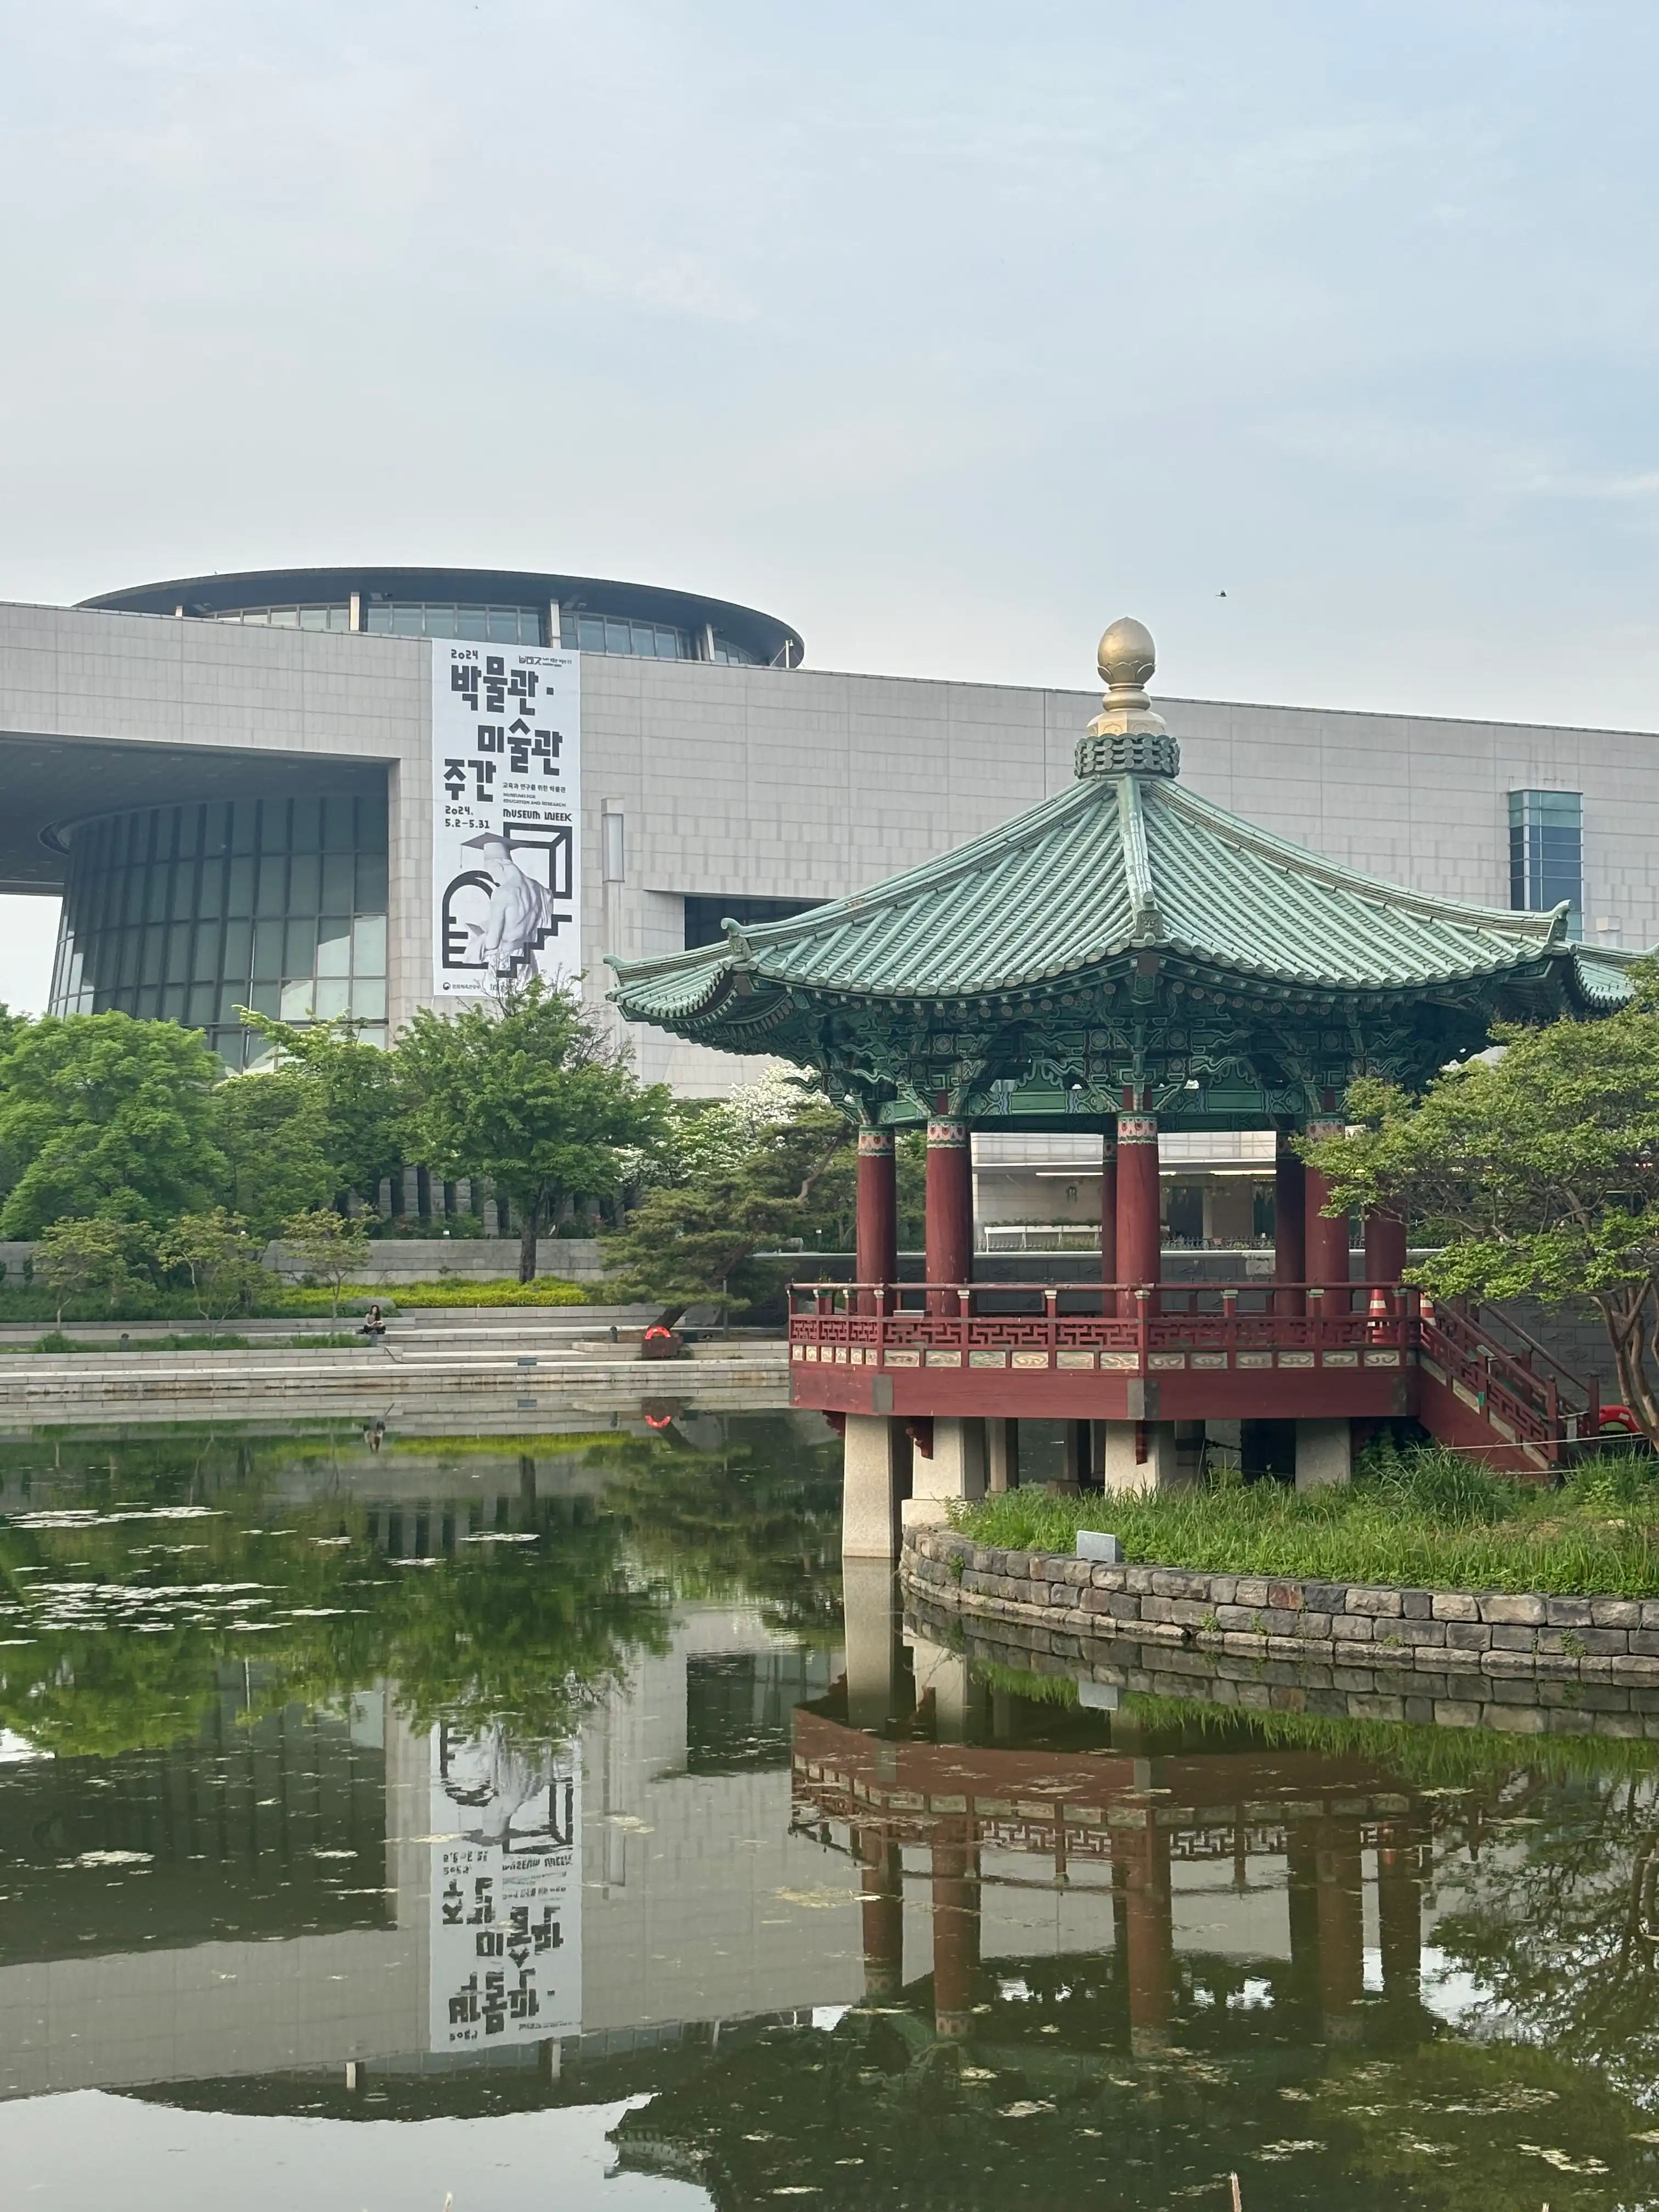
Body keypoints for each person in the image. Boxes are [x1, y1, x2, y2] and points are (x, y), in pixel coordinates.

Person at [460, 831, 555, 980]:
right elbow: (545, 930)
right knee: (529, 999)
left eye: (491, 870)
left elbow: (492, 942)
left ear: (501, 866)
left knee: (503, 1001)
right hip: (528, 958)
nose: (493, 877)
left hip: (506, 960)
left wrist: (477, 938)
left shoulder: (503, 893)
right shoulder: (543, 891)